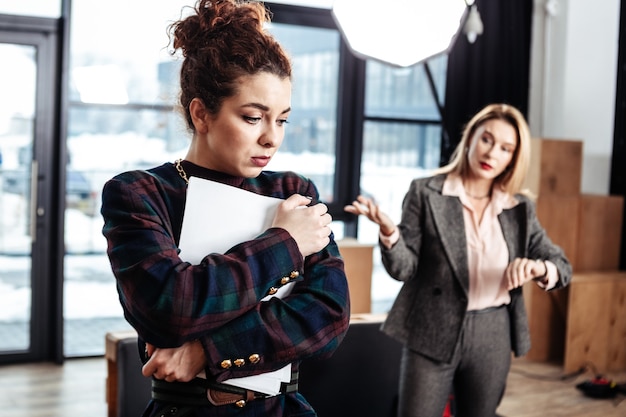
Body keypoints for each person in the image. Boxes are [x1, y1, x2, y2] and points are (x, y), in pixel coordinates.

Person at [100, 1, 350, 416]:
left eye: (282, 120)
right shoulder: (140, 193)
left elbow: (329, 314)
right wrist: (286, 242)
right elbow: (171, 307)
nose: (272, 138)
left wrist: (206, 350)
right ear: (201, 114)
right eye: (254, 117)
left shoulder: (293, 190)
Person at [344, 103, 572, 417]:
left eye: (506, 148)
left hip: (493, 331)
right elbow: (404, 268)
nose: (492, 154)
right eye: (487, 139)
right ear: (470, 138)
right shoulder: (425, 192)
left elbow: (561, 265)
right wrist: (389, 233)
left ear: (513, 158)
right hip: (432, 326)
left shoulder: (518, 208)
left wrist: (538, 267)